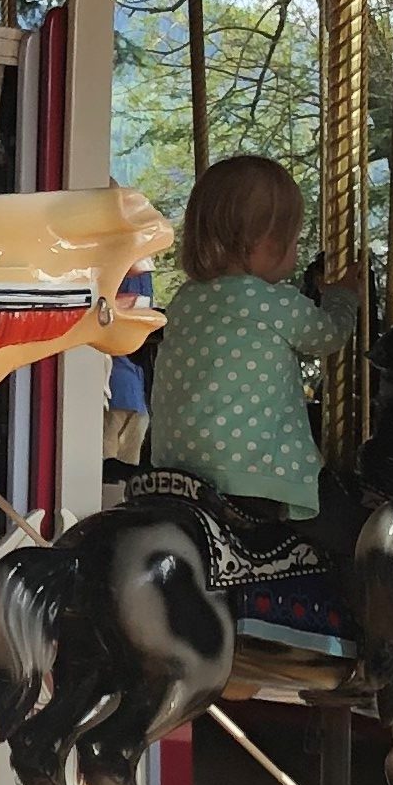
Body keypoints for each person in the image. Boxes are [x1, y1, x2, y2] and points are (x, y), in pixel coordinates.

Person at [144, 154, 361, 543]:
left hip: (176, 468)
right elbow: (328, 336)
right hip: (253, 475)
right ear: (265, 243)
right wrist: (344, 298)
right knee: (357, 537)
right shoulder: (270, 301)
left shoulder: (185, 299)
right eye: (293, 241)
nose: (294, 253)